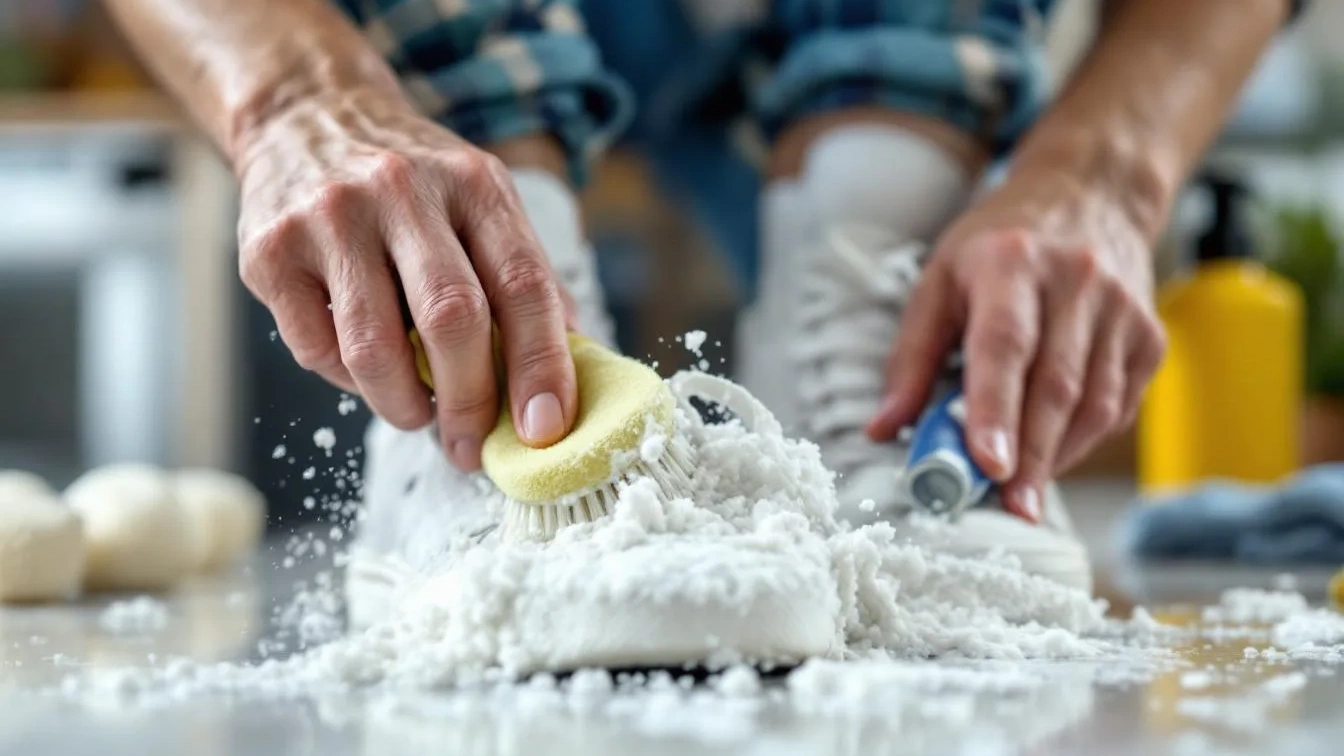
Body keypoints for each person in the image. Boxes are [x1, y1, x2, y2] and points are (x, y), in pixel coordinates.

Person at [101, 0, 1299, 590]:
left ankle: (866, 325)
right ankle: (496, 334)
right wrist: (295, 99)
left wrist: (1109, 168)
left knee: (874, 193)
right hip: (453, 43)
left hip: (887, 51)